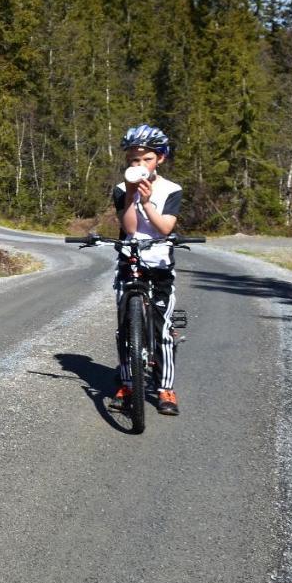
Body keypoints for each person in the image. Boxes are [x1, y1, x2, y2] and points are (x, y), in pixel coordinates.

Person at [108, 123, 183, 417]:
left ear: (160, 158)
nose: (139, 165)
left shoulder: (171, 189)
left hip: (160, 264)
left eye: (146, 159)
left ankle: (165, 388)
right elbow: (130, 228)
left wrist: (148, 201)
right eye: (133, 160)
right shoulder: (120, 189)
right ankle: (127, 383)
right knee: (125, 328)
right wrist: (130, 196)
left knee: (162, 329)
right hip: (131, 260)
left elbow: (165, 227)